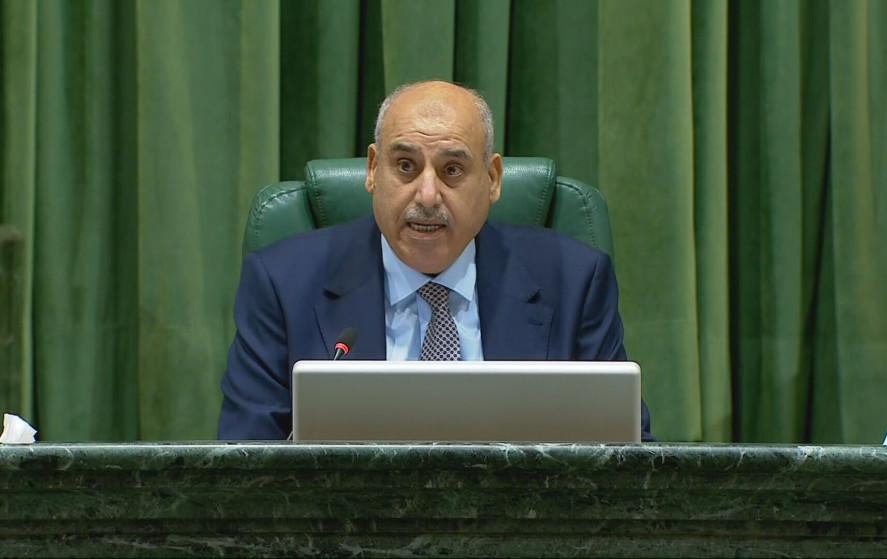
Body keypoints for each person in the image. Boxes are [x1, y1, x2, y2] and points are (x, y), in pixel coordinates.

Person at [217, 80, 654, 441]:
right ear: (373, 170)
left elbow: (632, 469)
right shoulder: (280, 285)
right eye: (405, 166)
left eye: (452, 170)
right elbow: (242, 472)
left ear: (492, 179)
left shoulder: (575, 281)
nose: (427, 196)